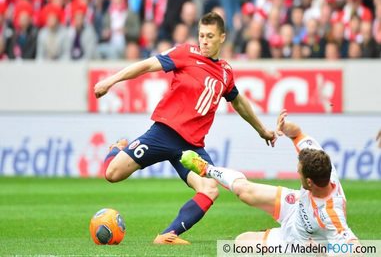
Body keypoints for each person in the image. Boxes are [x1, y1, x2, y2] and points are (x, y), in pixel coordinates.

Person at [94, 12, 276, 245]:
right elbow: (148, 65)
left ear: (222, 37)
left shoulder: (226, 72)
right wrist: (111, 81)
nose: (204, 41)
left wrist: (262, 130)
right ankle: (117, 149)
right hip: (163, 133)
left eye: (210, 36)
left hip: (191, 148)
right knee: (112, 174)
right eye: (201, 35)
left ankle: (166, 236)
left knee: (210, 189)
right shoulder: (185, 53)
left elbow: (238, 102)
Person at [181, 109, 358, 246]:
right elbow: (297, 133)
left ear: (309, 182)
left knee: (241, 243)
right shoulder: (321, 161)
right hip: (297, 205)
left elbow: (353, 246)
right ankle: (207, 169)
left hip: (298, 242)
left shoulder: (329, 215)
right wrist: (285, 128)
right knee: (245, 191)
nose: (297, 173)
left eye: (299, 172)